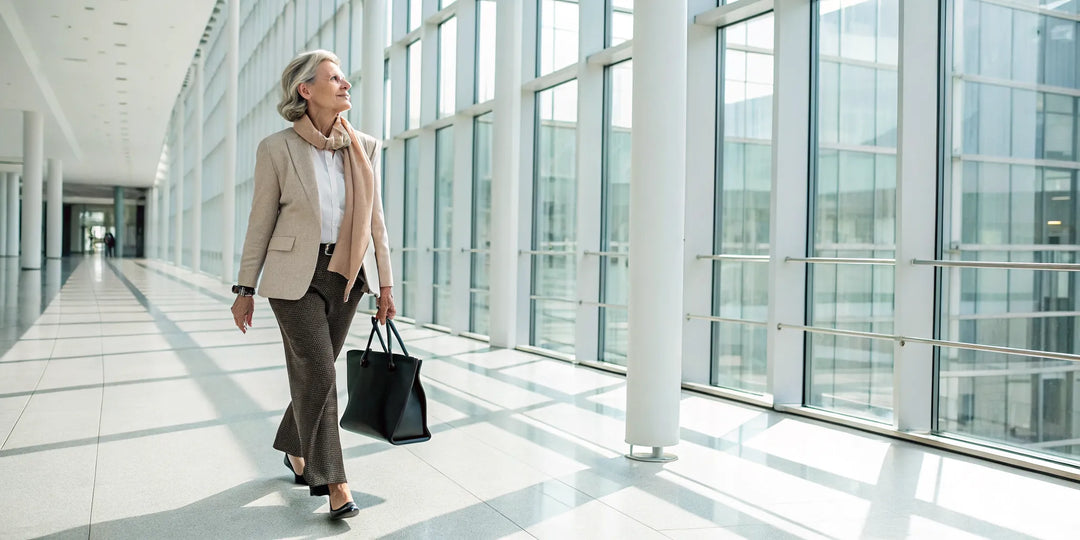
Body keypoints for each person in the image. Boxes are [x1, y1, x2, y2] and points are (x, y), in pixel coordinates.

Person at [230, 50, 395, 520]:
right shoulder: (276, 148)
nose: (346, 84)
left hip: (346, 275)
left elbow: (376, 225)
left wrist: (385, 285)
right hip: (292, 278)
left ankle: (293, 446)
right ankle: (335, 483)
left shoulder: (363, 146)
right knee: (321, 374)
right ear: (306, 90)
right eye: (334, 77)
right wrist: (244, 289)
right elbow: (260, 221)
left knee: (313, 374)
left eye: (344, 77)